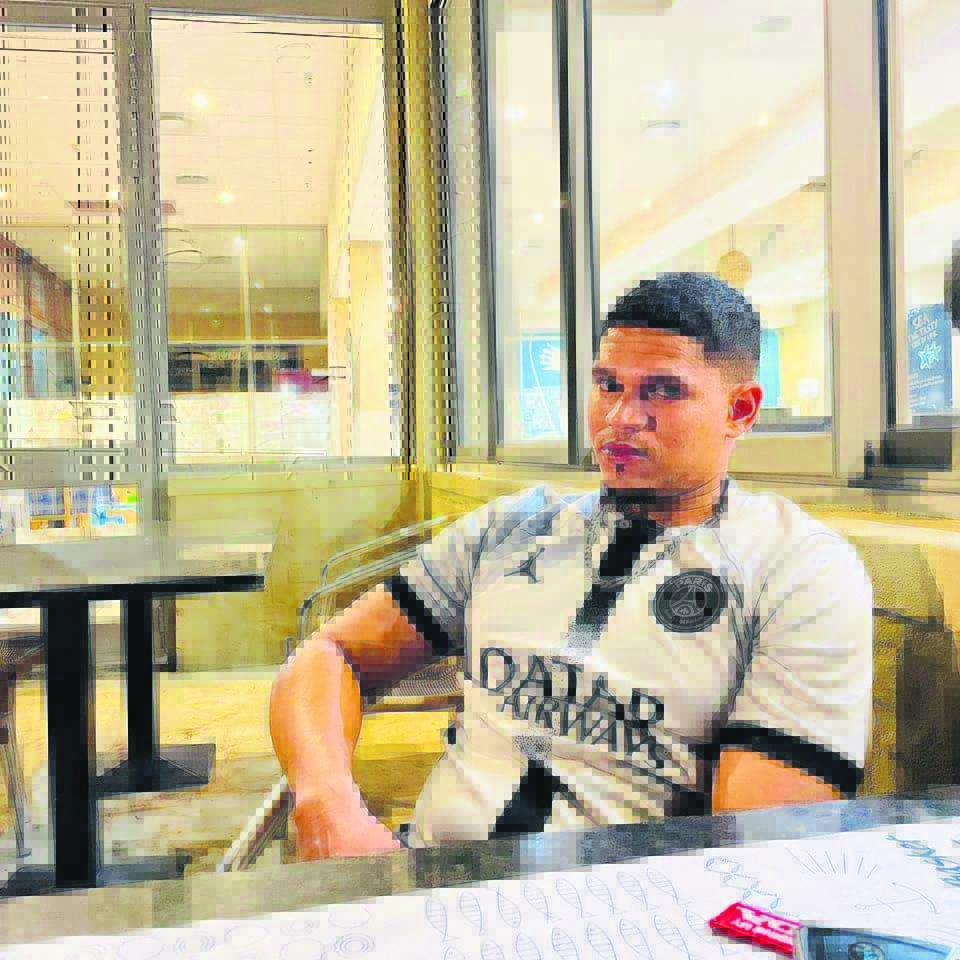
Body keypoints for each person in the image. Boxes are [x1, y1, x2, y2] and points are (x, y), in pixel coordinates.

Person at [270, 272, 874, 859]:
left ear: (739, 411)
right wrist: (327, 802)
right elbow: (331, 654)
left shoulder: (795, 569)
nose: (621, 418)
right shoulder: (510, 528)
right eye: (608, 385)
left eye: (663, 391)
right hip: (430, 871)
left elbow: (757, 846)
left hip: (622, 901)